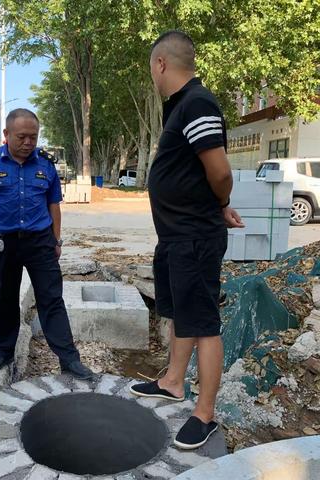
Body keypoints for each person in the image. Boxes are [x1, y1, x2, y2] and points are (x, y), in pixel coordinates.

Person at [130, 31, 244, 449]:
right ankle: (174, 382)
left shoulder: (197, 103)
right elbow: (192, 174)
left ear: (161, 63)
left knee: (203, 323)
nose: (153, 78)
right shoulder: (179, 107)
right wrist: (214, 206)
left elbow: (219, 171)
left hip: (194, 238)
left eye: (151, 70)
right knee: (178, 310)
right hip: (177, 236)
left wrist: (221, 201)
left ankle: (205, 414)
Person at [0, 108, 94, 381]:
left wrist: (56, 239)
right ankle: (4, 350)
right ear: (6, 135)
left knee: (51, 299)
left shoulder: (46, 165)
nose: (28, 142)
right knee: (5, 299)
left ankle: (68, 359)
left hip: (40, 241)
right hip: (3, 242)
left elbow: (54, 205)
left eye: (33, 137)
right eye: (22, 137)